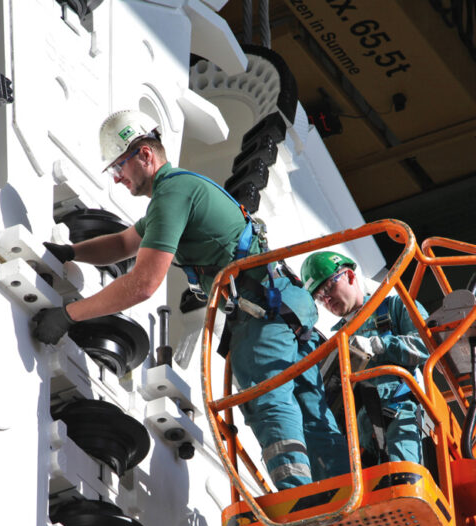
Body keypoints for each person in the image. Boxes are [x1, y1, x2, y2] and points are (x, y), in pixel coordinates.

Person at [32, 109, 342, 489]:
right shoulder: (178, 191)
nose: (117, 177)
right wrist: (72, 252)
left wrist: (68, 315)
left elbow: (142, 284)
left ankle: (302, 503)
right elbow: (124, 243)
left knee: (268, 399)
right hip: (282, 305)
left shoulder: (171, 194)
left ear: (145, 154)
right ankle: (341, 497)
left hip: (263, 310)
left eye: (120, 165)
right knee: (312, 412)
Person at [300, 251, 429, 472]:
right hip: (358, 431)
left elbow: (426, 345)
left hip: (399, 412)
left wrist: (378, 345)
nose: (326, 299)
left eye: (327, 288)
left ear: (349, 276)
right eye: (319, 297)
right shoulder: (335, 342)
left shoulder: (395, 307)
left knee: (403, 477)